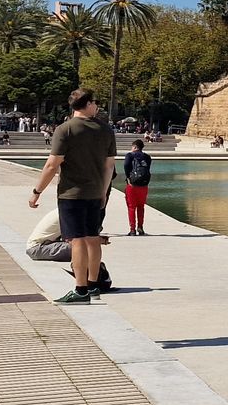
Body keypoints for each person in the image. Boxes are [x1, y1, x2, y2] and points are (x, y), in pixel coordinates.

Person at [28, 89, 117, 305]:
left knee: (77, 240)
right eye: (95, 102)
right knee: (93, 238)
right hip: (96, 194)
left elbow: (52, 164)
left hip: (72, 194)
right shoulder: (105, 130)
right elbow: (109, 165)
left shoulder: (65, 130)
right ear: (86, 104)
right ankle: (94, 286)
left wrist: (36, 192)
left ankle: (80, 289)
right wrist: (103, 192)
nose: (97, 106)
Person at [25, 207, 114, 292]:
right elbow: (73, 240)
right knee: (82, 248)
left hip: (45, 245)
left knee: (85, 246)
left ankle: (91, 277)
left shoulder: (67, 210)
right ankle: (87, 281)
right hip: (37, 248)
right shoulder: (69, 214)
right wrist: (97, 240)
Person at [122, 139, 153, 236]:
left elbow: (126, 165)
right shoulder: (147, 157)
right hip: (144, 185)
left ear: (135, 147)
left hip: (132, 185)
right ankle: (140, 227)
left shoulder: (130, 155)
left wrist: (128, 177)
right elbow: (147, 169)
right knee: (141, 207)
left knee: (131, 207)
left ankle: (132, 230)